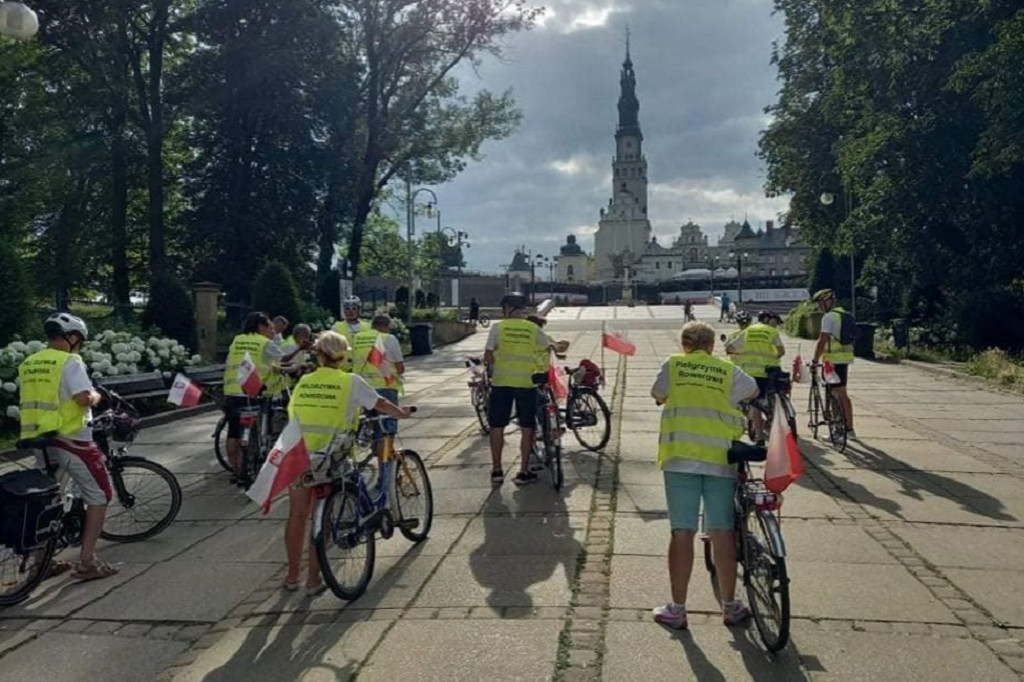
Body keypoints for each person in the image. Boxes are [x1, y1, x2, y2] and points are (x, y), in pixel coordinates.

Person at [650, 321, 759, 630]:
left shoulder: (674, 365)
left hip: (680, 458)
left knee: (681, 531)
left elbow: (658, 393)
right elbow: (753, 389)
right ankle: (730, 605)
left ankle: (678, 609)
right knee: (722, 531)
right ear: (711, 346)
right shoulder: (727, 370)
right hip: (719, 459)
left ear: (684, 345)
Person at [283, 331, 411, 595]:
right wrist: (401, 413)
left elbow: (294, 413)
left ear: (317, 355)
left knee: (296, 515)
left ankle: (292, 576)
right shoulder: (351, 381)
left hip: (298, 455)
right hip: (331, 458)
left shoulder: (304, 382)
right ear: (343, 356)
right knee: (325, 515)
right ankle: (314, 580)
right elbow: (380, 403)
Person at [18, 313, 118, 581]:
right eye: (80, 341)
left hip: (40, 441)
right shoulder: (70, 361)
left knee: (51, 498)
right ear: (72, 338)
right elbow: (83, 398)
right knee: (100, 495)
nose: (80, 346)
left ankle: (42, 562)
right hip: (72, 439)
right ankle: (87, 561)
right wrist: (96, 395)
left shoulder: (30, 362)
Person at [484, 292, 552, 486]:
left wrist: (500, 362)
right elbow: (546, 350)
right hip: (526, 383)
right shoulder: (533, 328)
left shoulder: (498, 328)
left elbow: (488, 356)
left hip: (501, 383)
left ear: (507, 309)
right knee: (527, 427)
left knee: (497, 427)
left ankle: (497, 470)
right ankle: (523, 471)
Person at [222, 311, 284, 485]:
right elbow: (282, 358)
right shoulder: (264, 342)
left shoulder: (237, 340)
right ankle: (252, 464)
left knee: (233, 432)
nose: (270, 329)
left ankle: (235, 471)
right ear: (260, 326)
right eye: (268, 326)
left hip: (232, 391)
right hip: (253, 392)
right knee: (254, 431)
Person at [725, 310, 786, 443]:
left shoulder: (748, 331)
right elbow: (781, 351)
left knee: (756, 405)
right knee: (778, 394)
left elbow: (729, 348)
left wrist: (741, 353)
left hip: (755, 373)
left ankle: (759, 437)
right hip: (773, 371)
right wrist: (773, 357)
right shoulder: (772, 331)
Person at [352, 314, 406, 439]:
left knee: (371, 423)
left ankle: (373, 447)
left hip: (363, 388)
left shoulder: (357, 338)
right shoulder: (389, 339)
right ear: (386, 326)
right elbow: (400, 368)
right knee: (387, 428)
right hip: (385, 387)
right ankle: (385, 457)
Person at [812, 288, 855, 437]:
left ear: (827, 302)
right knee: (842, 393)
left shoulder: (829, 317)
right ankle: (849, 429)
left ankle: (838, 429)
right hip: (845, 359)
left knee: (834, 393)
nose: (819, 307)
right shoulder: (843, 314)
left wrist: (814, 360)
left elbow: (822, 340)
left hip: (832, 362)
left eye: (820, 303)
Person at [332, 295, 372, 370]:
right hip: (343, 370)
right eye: (347, 309)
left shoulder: (368, 327)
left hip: (364, 370)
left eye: (354, 308)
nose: (350, 311)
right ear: (344, 311)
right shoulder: (336, 328)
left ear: (359, 310)